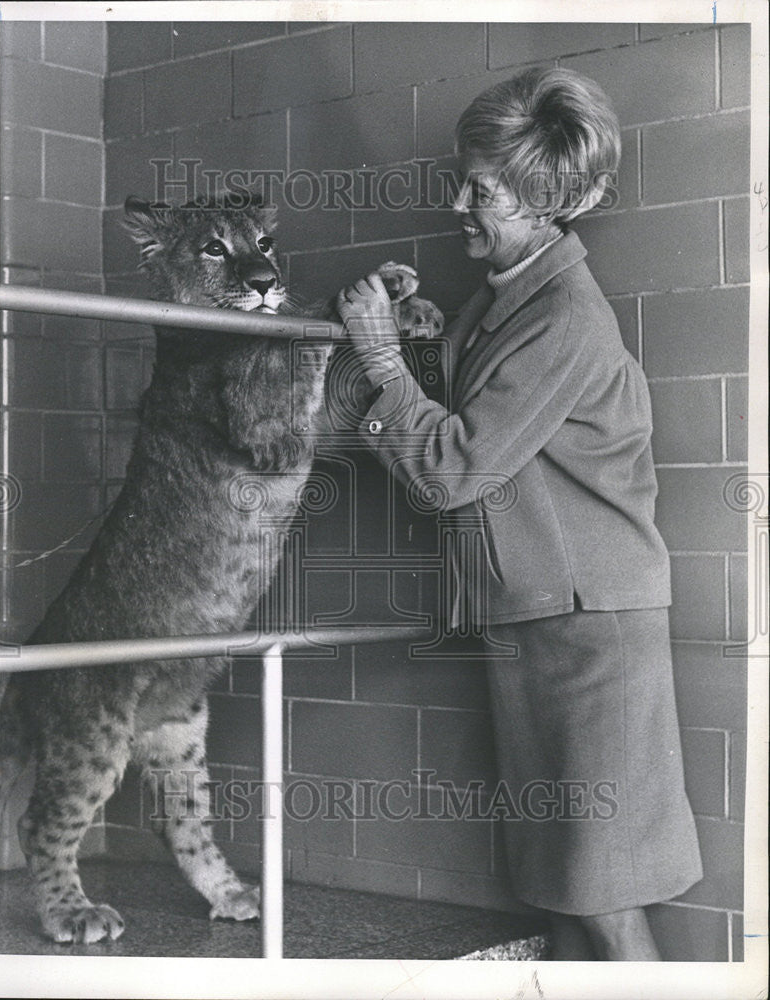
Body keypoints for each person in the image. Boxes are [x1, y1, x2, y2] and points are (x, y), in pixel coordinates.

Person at [336, 66, 703, 962]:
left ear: (546, 204)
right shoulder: (510, 295)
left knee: (604, 893)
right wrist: (417, 331)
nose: (459, 202)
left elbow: (453, 467)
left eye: (481, 191)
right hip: (546, 621)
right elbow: (481, 417)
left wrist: (383, 360)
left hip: (589, 633)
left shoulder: (566, 319)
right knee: (564, 888)